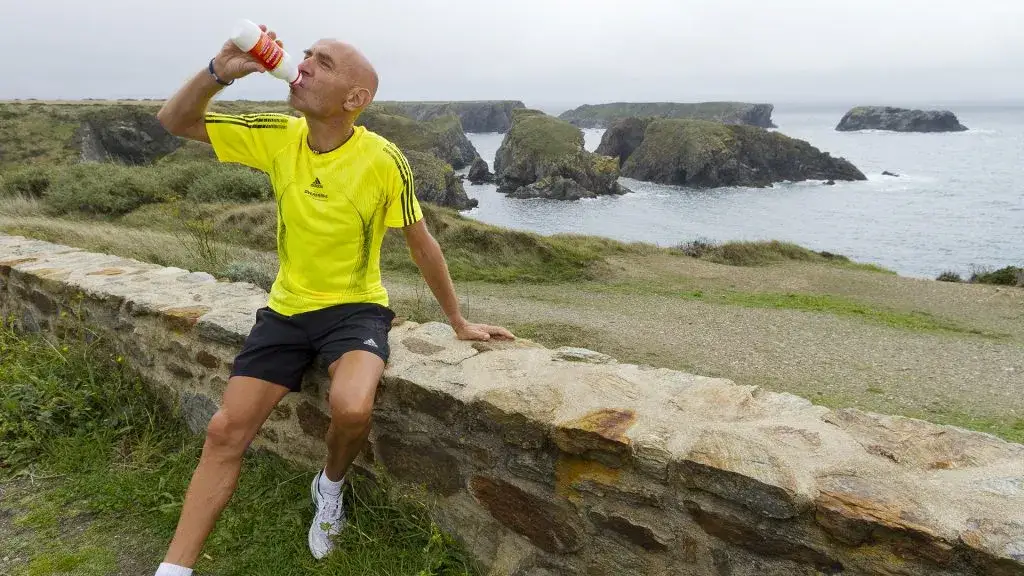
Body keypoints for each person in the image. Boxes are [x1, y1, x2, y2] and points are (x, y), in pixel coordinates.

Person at [152, 24, 514, 576]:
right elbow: (174, 122)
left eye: (322, 61)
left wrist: (459, 321)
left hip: (355, 308)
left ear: (355, 99)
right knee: (225, 430)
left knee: (351, 408)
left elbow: (421, 243)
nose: (303, 64)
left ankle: (331, 485)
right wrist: (217, 73)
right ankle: (174, 569)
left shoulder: (383, 159)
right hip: (285, 309)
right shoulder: (278, 134)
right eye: (305, 56)